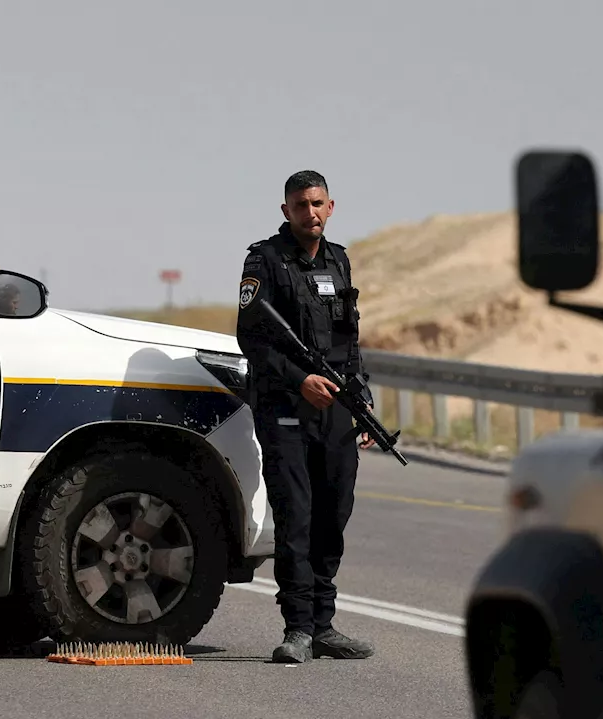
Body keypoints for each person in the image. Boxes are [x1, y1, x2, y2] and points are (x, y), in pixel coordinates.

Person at [235, 170, 376, 664]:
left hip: (336, 408)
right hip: (286, 409)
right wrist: (299, 381)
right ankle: (297, 629)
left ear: (330, 206)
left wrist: (360, 398)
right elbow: (250, 338)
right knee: (296, 517)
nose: (310, 213)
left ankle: (324, 626)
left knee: (334, 515)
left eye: (317, 204)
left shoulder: (339, 260)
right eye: (300, 205)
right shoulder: (265, 261)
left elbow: (349, 338)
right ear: (286, 211)